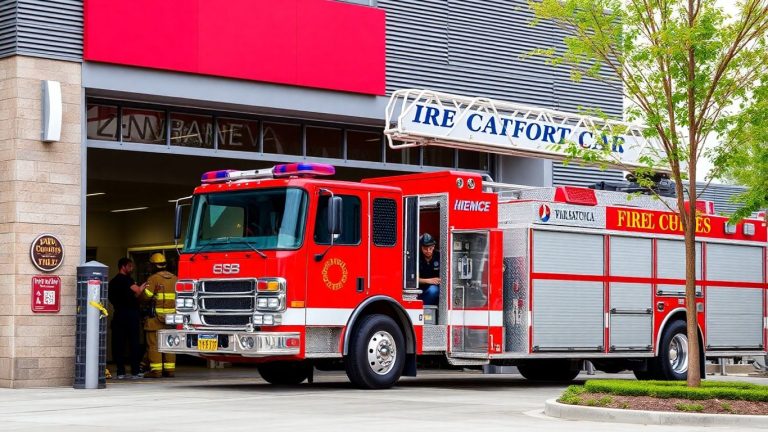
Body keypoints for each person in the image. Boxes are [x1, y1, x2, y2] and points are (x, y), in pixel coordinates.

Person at [142, 253, 178, 378]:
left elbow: (146, 297)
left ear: (153, 265)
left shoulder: (153, 279)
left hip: (155, 318)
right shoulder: (175, 278)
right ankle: (170, 370)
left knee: (154, 345)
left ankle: (156, 371)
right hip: (172, 318)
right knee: (170, 343)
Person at [108, 257, 146, 379]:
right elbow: (138, 291)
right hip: (131, 315)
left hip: (118, 314)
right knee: (134, 343)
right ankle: (135, 371)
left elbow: (112, 298)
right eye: (130, 266)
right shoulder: (127, 280)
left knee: (118, 344)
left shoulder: (112, 282)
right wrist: (143, 287)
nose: (132, 268)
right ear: (123, 266)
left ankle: (120, 371)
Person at [417, 233, 440, 306]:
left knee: (433, 290)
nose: (428, 251)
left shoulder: (439, 256)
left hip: (434, 288)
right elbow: (411, 279)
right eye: (425, 248)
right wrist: (429, 281)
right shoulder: (416, 257)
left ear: (434, 246)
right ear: (421, 247)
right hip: (419, 289)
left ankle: (427, 312)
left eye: (430, 248)